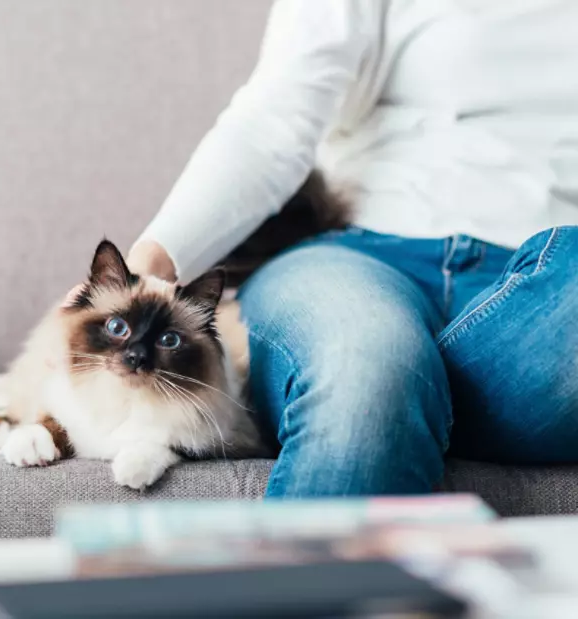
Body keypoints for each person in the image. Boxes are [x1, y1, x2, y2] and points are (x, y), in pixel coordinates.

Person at [122, 0, 578, 497]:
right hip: (358, 258)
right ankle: (395, 403)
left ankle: (411, 407)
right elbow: (274, 120)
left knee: (391, 381)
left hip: (550, 314)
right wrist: (150, 266)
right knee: (365, 362)